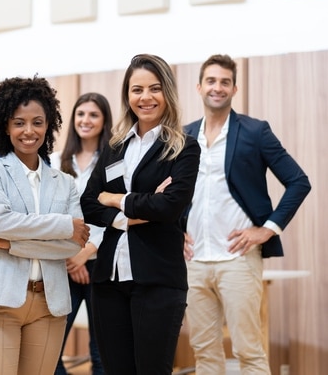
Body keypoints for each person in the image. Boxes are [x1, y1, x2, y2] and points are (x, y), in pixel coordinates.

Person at [183, 54, 310, 374]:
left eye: (225, 81)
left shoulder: (255, 131)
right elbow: (168, 194)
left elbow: (298, 182)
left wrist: (266, 229)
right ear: (199, 86)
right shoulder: (183, 135)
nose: (217, 87)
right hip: (193, 261)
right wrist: (174, 230)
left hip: (238, 259)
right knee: (204, 353)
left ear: (235, 88)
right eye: (211, 81)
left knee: (248, 350)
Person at [81, 54, 200, 374]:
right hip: (108, 279)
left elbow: (169, 206)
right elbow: (89, 203)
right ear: (127, 95)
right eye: (137, 90)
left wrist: (115, 199)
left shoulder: (184, 147)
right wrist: (133, 213)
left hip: (159, 279)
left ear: (168, 93)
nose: (145, 97)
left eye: (154, 88)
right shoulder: (115, 145)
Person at [0, 76, 90, 375]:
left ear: (49, 125)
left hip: (50, 305)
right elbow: (2, 223)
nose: (29, 131)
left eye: (37, 122)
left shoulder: (65, 183)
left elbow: (73, 244)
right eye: (19, 122)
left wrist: (13, 244)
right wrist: (64, 225)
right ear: (5, 126)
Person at [51, 93, 112, 375]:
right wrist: (72, 254)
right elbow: (49, 214)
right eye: (81, 114)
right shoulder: (53, 162)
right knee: (50, 352)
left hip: (102, 262)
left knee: (102, 354)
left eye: (94, 115)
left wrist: (87, 252)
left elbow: (116, 212)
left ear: (104, 121)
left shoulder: (114, 162)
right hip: (63, 263)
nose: (86, 120)